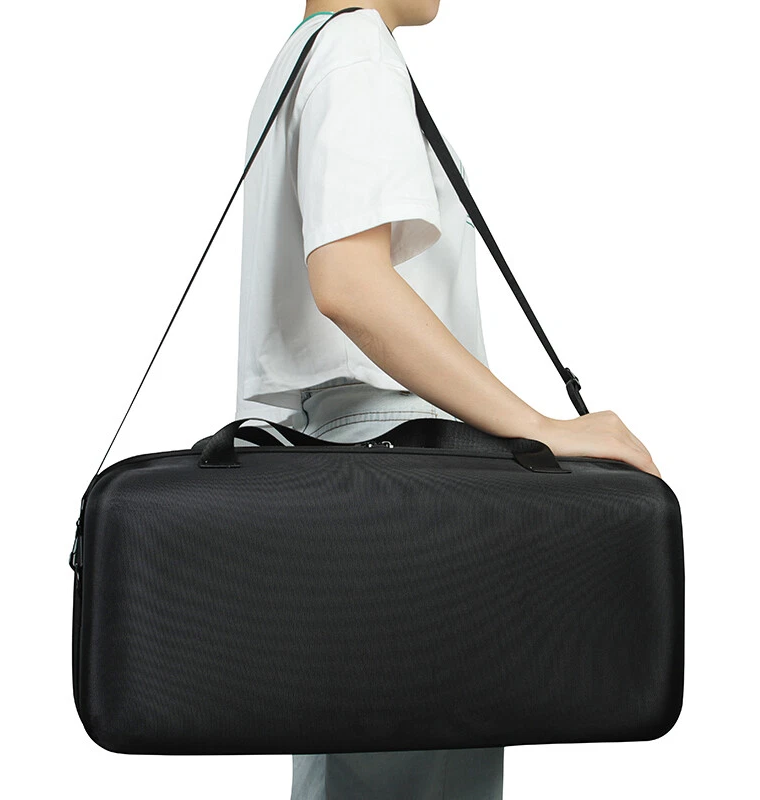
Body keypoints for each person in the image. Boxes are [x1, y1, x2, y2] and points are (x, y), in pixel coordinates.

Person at [235, 3, 662, 799]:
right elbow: (350, 282)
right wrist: (541, 429)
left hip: (344, 466)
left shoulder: (303, 57)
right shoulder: (355, 49)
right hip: (400, 477)